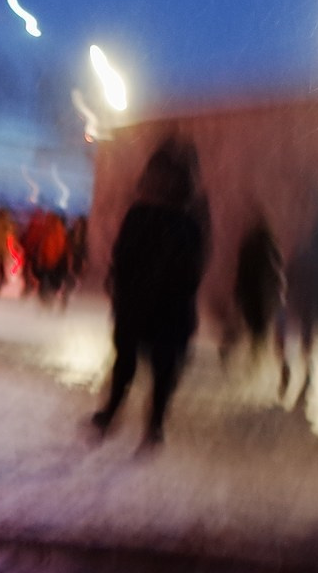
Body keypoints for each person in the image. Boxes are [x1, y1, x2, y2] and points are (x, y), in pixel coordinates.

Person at [90, 135, 210, 448]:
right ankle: (142, 421)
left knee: (141, 363)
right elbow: (191, 266)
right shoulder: (177, 218)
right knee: (153, 365)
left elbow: (127, 256)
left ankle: (138, 419)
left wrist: (124, 285)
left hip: (153, 305)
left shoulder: (160, 217)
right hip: (155, 305)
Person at [282, 198, 318, 405]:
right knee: (305, 341)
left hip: (301, 301)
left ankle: (295, 370)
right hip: (311, 303)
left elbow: (291, 273)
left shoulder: (307, 251)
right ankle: (304, 375)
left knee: (291, 336)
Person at [231, 217, 283, 377]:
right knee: (260, 329)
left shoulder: (249, 246)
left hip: (251, 293)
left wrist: (238, 293)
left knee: (254, 327)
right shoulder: (272, 247)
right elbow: (278, 272)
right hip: (265, 295)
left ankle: (254, 358)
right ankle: (256, 358)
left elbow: (241, 271)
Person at [22, 207, 68, 300]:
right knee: (48, 285)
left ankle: (42, 302)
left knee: (44, 284)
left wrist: (38, 259)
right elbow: (61, 249)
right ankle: (46, 303)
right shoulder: (58, 232)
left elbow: (40, 246)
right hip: (52, 264)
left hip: (47, 264)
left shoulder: (47, 230)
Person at [63, 213, 91, 308]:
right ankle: (64, 307)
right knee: (68, 289)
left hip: (75, 267)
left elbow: (84, 258)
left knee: (70, 289)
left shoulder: (83, 241)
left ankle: (65, 307)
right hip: (70, 266)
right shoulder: (72, 237)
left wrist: (82, 270)